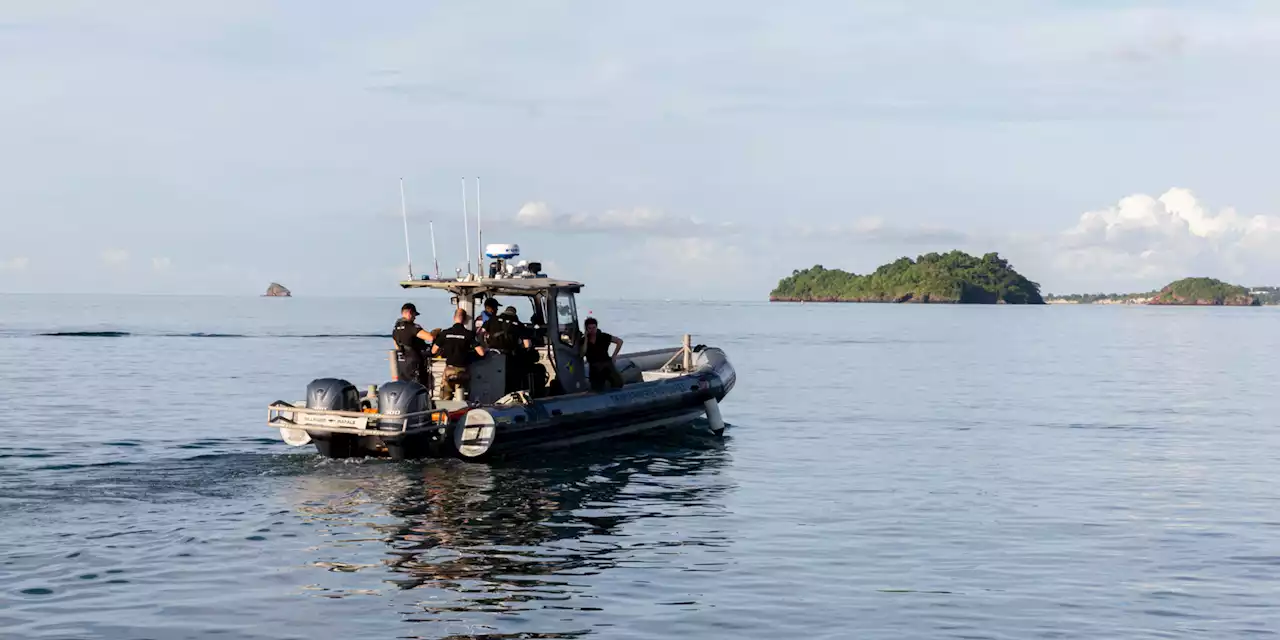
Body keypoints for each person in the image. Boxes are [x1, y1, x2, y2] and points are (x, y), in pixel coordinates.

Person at [432, 308, 487, 401]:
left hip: (449, 370)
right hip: (463, 371)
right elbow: (481, 353)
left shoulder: (445, 333)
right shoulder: (469, 334)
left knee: (445, 397)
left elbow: (433, 351)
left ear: (454, 318)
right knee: (463, 397)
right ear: (465, 320)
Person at [483, 306, 534, 394]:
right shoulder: (518, 324)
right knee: (511, 380)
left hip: (492, 355)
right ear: (514, 314)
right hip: (509, 357)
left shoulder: (493, 319)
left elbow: (481, 332)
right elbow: (527, 344)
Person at [392, 303, 433, 387]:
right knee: (417, 387)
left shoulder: (396, 328)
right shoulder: (412, 327)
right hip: (413, 364)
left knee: (403, 386)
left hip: (401, 364)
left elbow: (396, 346)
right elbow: (430, 337)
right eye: (414, 315)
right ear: (410, 312)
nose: (415, 318)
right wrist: (436, 333)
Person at [579, 317, 624, 392]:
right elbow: (582, 353)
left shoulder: (604, 336)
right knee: (597, 388)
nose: (592, 330)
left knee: (618, 383)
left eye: (594, 327)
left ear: (596, 327)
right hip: (594, 366)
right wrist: (586, 338)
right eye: (590, 328)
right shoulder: (583, 340)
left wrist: (614, 355)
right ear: (586, 329)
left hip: (606, 363)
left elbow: (619, 341)